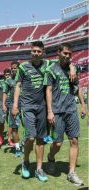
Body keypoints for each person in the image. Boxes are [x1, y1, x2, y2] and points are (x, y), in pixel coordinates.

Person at [12, 41, 76, 182]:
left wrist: (71, 67)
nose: (36, 53)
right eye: (34, 51)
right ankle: (26, 160)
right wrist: (15, 105)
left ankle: (39, 169)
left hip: (43, 107)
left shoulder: (48, 64)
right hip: (27, 106)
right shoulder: (23, 67)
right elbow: (17, 85)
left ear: (43, 52)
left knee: (41, 140)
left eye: (39, 51)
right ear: (31, 51)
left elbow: (65, 60)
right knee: (30, 137)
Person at [44, 43, 86, 186]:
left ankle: (72, 173)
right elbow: (48, 90)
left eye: (70, 54)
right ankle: (50, 157)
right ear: (58, 52)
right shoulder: (51, 70)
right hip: (57, 111)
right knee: (58, 142)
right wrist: (50, 111)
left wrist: (83, 105)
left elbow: (78, 87)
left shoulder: (73, 69)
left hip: (71, 110)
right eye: (65, 53)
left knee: (74, 140)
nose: (67, 56)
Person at [3, 61, 22, 157]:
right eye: (12, 68)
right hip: (12, 105)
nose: (14, 70)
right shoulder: (8, 80)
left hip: (24, 105)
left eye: (15, 68)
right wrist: (3, 104)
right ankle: (18, 148)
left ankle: (25, 143)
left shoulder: (23, 79)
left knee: (28, 126)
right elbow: (5, 93)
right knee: (14, 127)